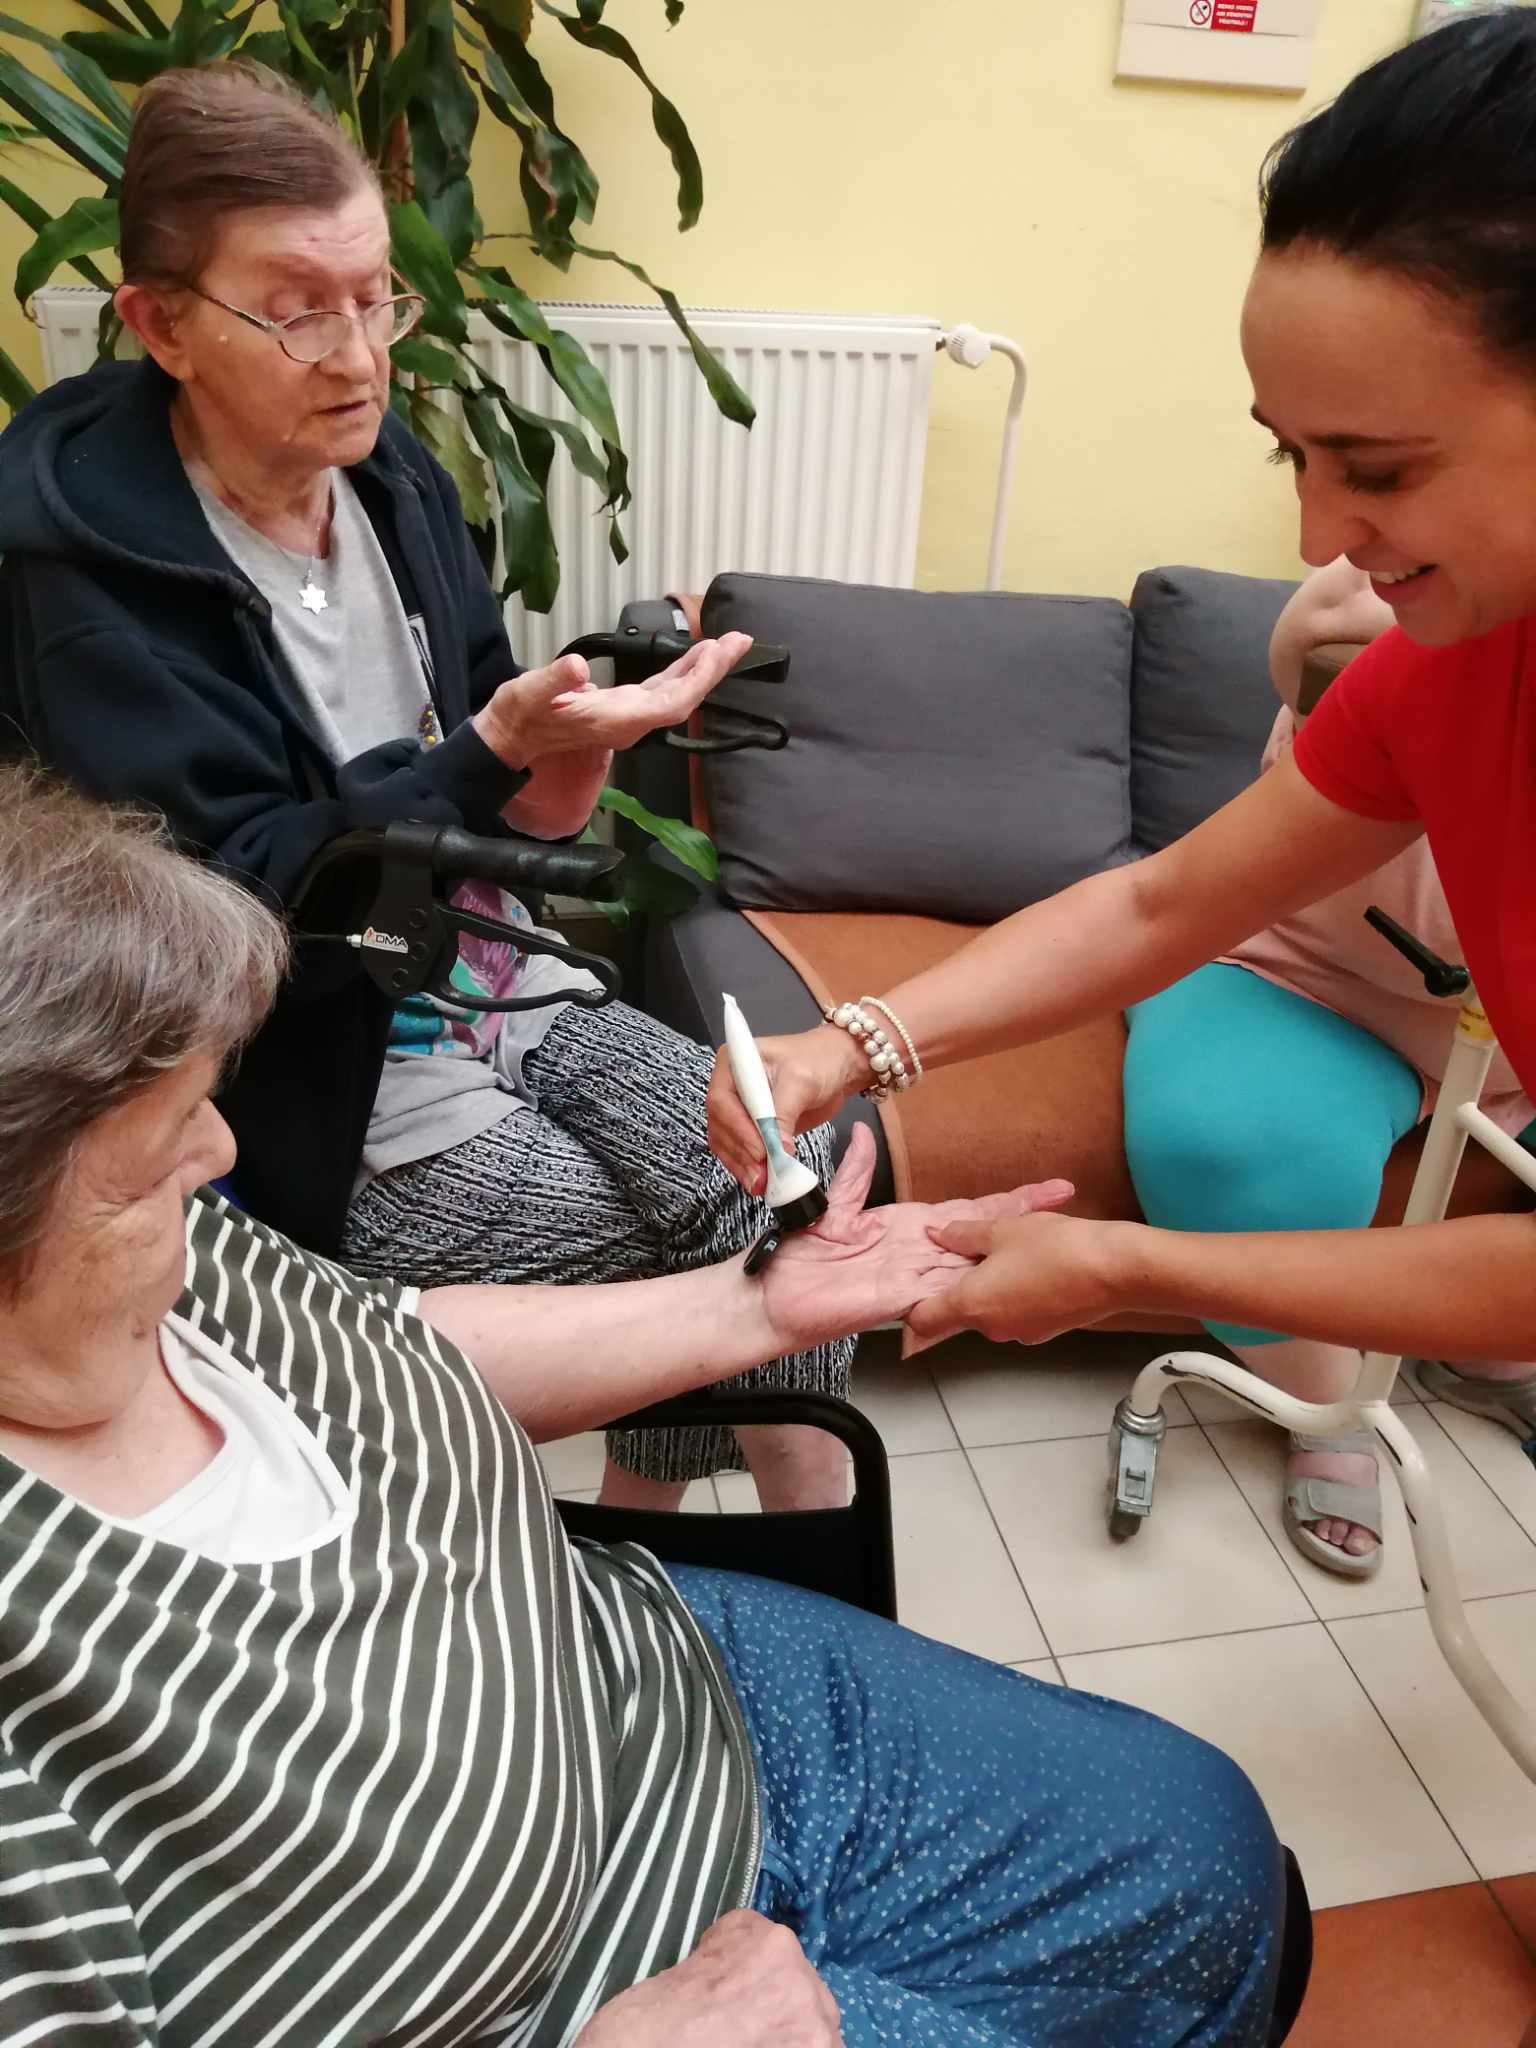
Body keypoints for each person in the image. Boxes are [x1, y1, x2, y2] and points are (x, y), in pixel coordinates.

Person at [0, 765, 1285, 2048]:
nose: (221, 1153)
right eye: (155, 1154)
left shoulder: (187, 1255)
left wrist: (759, 1310)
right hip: (579, 1990)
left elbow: (391, 1341)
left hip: (642, 1675)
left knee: (1211, 1839)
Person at [0, 59, 848, 1523]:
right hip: (311, 1071)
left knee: (786, 1163)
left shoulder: (386, 472)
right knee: (722, 1255)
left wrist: (567, 747)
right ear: (160, 324)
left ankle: (683, 1533)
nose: (357, 357)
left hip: (494, 979)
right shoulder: (77, 580)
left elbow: (500, 777)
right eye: (297, 309)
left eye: (376, 297)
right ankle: (779, 1534)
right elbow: (239, 915)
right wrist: (491, 752)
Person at [708, 14, 1536, 1407]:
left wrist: (1119, 1264)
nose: (1319, 536)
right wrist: (846, 1045)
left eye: (1381, 470)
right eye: (1289, 456)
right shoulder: (1442, 666)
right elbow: (1168, 904)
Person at [1122, 556, 1536, 1578]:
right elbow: (1319, 630)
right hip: (1306, 973)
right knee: (1220, 1142)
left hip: (1512, 1008)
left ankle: (1488, 1352)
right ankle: (1328, 1401)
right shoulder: (1396, 581)